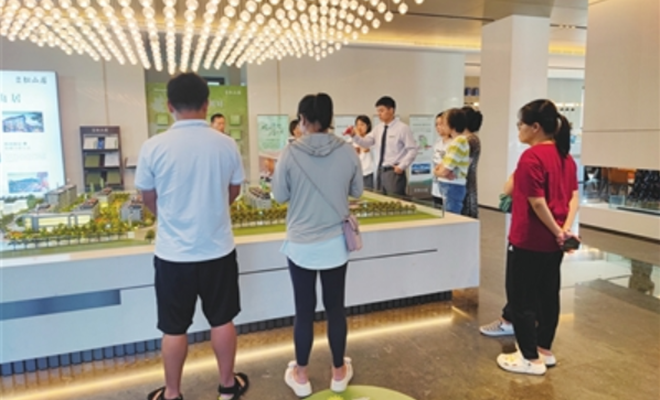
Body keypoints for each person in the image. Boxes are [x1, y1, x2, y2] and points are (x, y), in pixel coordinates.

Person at [135, 73, 249, 400]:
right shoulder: (226, 144)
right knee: (222, 320)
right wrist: (212, 210)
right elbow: (233, 191)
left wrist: (170, 216)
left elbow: (147, 197)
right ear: (206, 104)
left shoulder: (153, 146)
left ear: (169, 105)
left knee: (173, 327)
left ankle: (172, 393)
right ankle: (227, 386)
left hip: (173, 254)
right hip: (218, 249)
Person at [271, 93, 363, 397]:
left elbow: (279, 196)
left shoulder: (289, 152)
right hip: (335, 242)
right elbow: (358, 191)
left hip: (300, 244)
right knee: (335, 309)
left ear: (302, 119)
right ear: (330, 118)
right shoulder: (347, 151)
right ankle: (338, 373)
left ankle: (301, 376)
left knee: (304, 310)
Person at [496, 99, 580, 376]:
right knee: (547, 295)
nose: (518, 129)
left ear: (535, 127)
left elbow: (537, 202)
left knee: (521, 298)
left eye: (520, 124)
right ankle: (545, 349)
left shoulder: (531, 158)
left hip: (528, 238)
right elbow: (573, 199)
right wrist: (563, 231)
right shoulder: (566, 157)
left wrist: (557, 232)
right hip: (553, 243)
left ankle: (529, 358)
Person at [349, 96, 417, 196]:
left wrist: (402, 166)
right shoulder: (378, 128)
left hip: (393, 172)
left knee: (395, 201)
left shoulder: (402, 128)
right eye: (378, 111)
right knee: (380, 200)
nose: (379, 114)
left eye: (381, 111)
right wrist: (354, 136)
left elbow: (413, 150)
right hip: (380, 171)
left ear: (391, 110)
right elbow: (366, 142)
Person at [433, 108, 470, 214]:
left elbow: (444, 170)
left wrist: (436, 172)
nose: (441, 126)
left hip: (453, 185)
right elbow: (442, 165)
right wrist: (438, 171)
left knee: (451, 217)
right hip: (449, 185)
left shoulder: (459, 142)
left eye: (444, 123)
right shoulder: (456, 141)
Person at [461, 106, 483, 218]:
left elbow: (464, 163)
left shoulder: (470, 140)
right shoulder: (467, 138)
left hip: (466, 178)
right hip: (465, 177)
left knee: (467, 207)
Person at [431, 112, 451, 209]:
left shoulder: (453, 143)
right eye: (436, 124)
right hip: (436, 186)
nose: (438, 127)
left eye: (441, 124)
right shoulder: (437, 142)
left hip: (448, 186)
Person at [352, 115, 375, 190]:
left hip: (367, 173)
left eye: (362, 125)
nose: (359, 127)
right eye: (357, 125)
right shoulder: (352, 140)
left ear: (368, 126)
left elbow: (365, 149)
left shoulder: (370, 139)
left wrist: (357, 135)